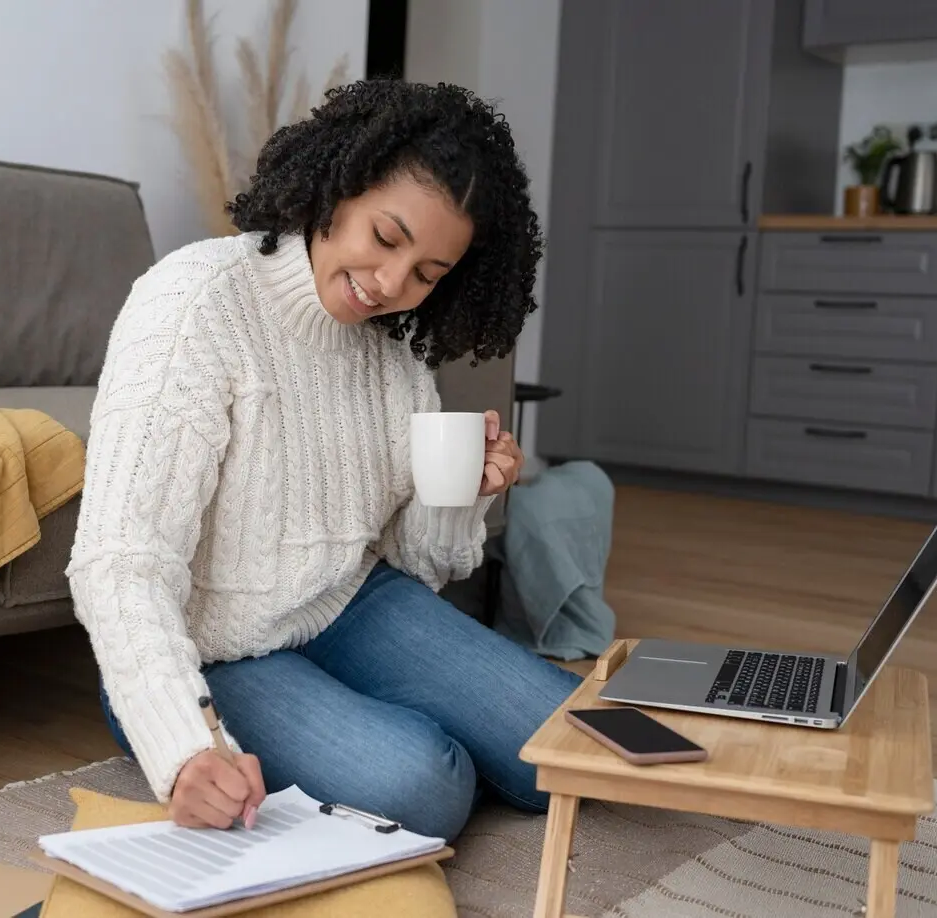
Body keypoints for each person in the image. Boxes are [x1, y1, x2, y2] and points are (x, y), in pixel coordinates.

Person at [67, 79, 582, 843]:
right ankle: (337, 731)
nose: (390, 285)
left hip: (350, 603)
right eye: (386, 238)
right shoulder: (194, 304)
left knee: (572, 745)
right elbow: (120, 560)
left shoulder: (394, 353)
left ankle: (356, 720)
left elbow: (419, 560)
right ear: (338, 184)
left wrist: (461, 494)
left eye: (428, 274)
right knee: (425, 787)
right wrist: (183, 747)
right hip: (215, 647)